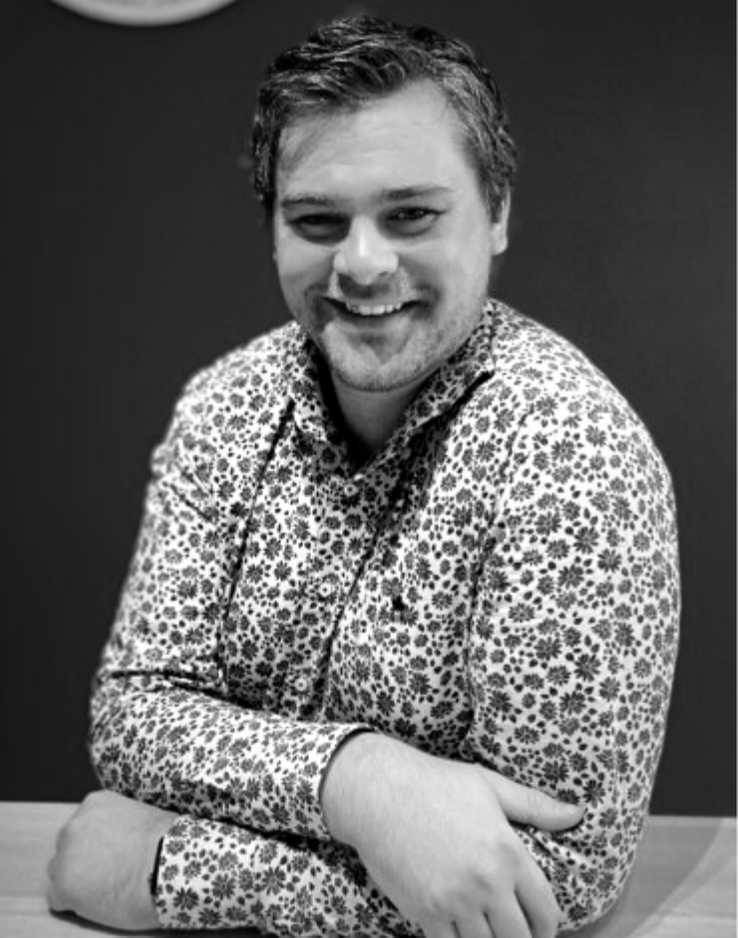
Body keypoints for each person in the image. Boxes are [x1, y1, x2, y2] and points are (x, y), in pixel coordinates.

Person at [46, 15, 680, 938]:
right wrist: (361, 784)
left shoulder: (574, 453)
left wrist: (167, 867)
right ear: (273, 230)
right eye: (317, 220)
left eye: (411, 214)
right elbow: (135, 716)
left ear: (497, 212)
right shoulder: (223, 407)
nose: (363, 264)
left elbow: (555, 878)